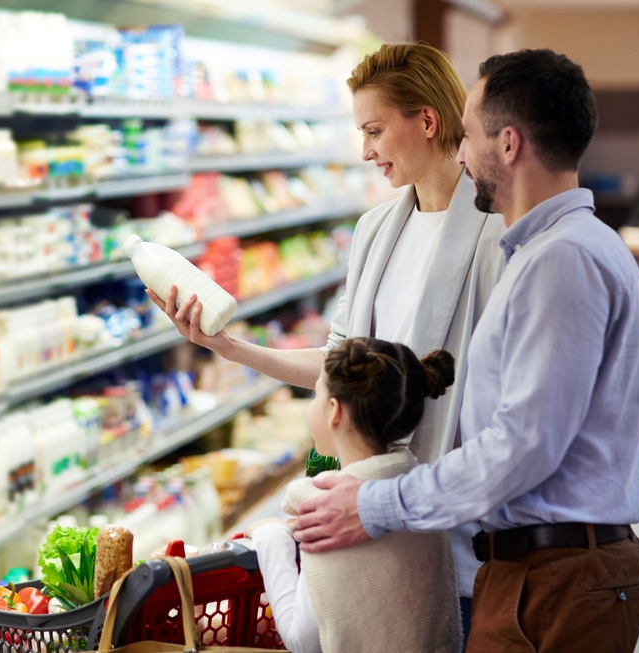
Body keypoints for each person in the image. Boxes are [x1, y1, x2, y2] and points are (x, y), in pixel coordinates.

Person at [292, 49, 639, 652]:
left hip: (558, 577)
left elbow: (524, 444)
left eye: (471, 135)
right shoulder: (546, 251)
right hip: (536, 571)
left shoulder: (561, 260)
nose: (460, 153)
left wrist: (379, 503)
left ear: (508, 144)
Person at [147, 42, 504, 624]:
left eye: (374, 130)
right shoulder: (375, 230)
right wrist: (225, 346)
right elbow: (339, 365)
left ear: (429, 121)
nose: (365, 152)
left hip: (456, 534)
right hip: (360, 516)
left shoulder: (497, 232)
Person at [245, 338, 462, 653]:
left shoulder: (329, 511)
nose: (311, 404)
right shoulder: (417, 493)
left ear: (334, 411)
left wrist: (271, 536)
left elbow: (303, 641)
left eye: (315, 394)